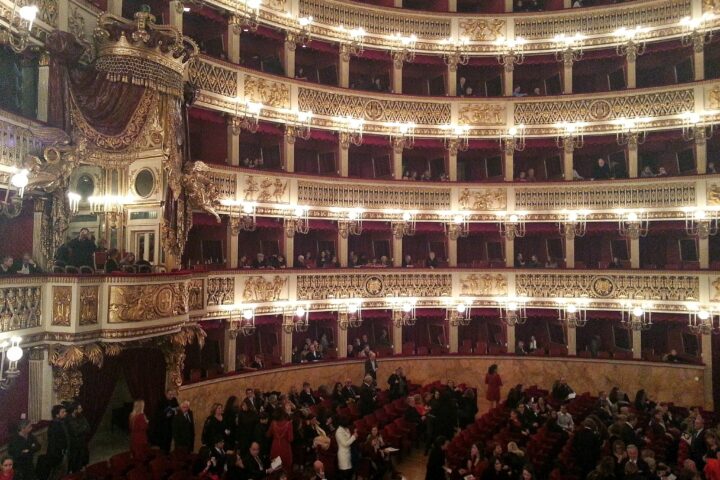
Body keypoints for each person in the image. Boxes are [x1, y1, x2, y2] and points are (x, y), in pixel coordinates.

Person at [45, 404, 69, 480]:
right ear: (57, 415)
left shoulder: (61, 423)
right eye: (63, 412)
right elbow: (53, 442)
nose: (65, 413)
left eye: (65, 411)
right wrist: (58, 454)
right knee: (56, 474)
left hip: (62, 453)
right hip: (57, 455)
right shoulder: (54, 425)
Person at [66, 403, 90, 473]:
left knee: (81, 460)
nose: (82, 410)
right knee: (74, 462)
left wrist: (81, 428)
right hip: (74, 445)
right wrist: (83, 427)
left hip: (82, 443)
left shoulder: (81, 416)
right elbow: (75, 432)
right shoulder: (69, 419)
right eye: (79, 409)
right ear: (74, 410)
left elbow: (88, 428)